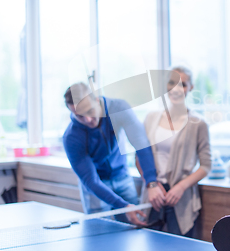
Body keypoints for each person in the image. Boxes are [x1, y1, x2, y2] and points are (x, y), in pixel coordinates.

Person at [63, 82, 165, 225]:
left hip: (122, 176)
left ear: (96, 100)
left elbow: (141, 143)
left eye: (89, 111)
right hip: (96, 186)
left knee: (135, 226)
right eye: (79, 116)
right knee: (99, 233)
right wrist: (123, 206)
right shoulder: (71, 137)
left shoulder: (118, 108)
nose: (87, 120)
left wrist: (151, 182)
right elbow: (91, 180)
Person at [137, 66, 212, 237]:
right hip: (152, 196)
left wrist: (180, 188)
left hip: (180, 198)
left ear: (191, 87)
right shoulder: (150, 118)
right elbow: (139, 157)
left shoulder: (198, 123)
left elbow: (206, 166)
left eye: (183, 84)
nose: (176, 89)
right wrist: (151, 185)